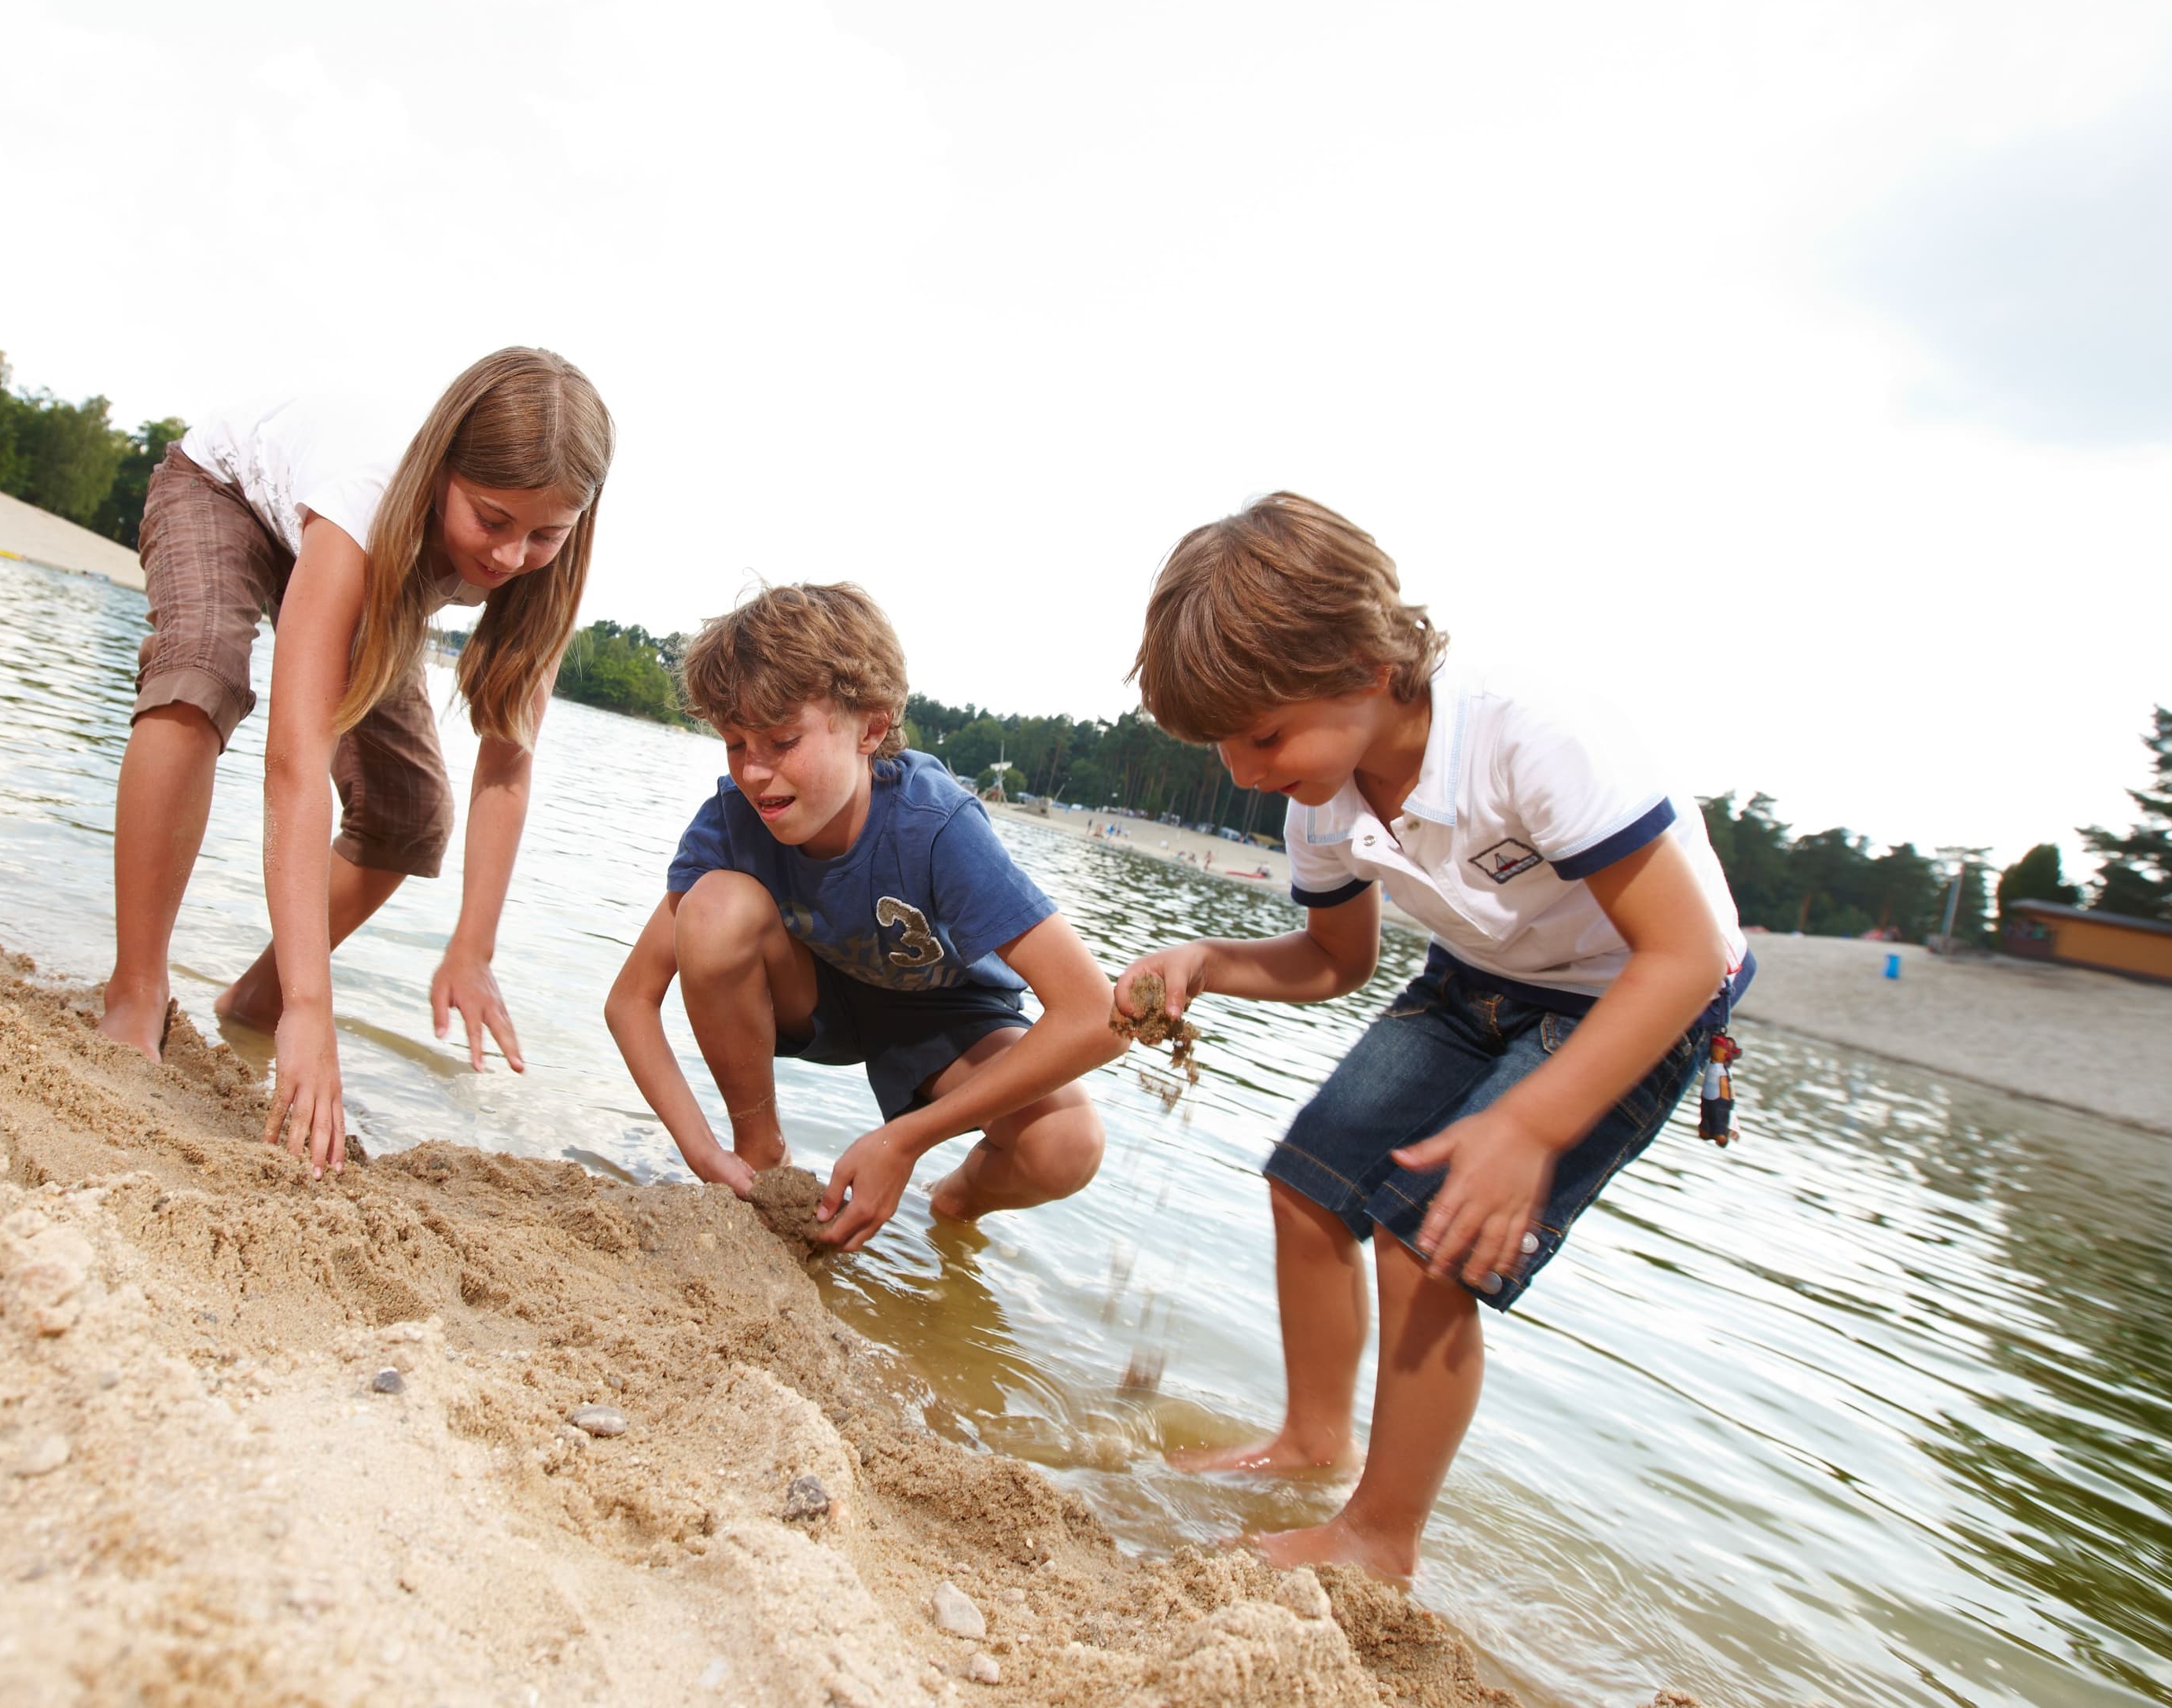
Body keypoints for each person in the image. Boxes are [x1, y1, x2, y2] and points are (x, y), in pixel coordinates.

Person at [1115, 493, 1750, 1584]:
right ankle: (1312, 1444)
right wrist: (1208, 962)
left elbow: (1683, 959)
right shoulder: (1319, 795)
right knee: (1309, 1185)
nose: (1243, 769)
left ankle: (1378, 1539)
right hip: (1476, 981)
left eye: (1262, 734)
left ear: (1368, 666)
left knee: (1430, 1244)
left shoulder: (1535, 740)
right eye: (1223, 743)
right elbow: (1335, 963)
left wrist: (1529, 1126)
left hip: (1639, 997)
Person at [95, 348, 616, 1174]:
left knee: (411, 816)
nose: (512, 558)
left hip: (367, 569)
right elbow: (297, 761)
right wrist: (320, 1005)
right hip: (226, 493)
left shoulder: (541, 572)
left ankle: (256, 1005)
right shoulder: (371, 496)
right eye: (491, 521)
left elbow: (506, 765)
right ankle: (135, 994)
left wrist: (472, 946)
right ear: (442, 470)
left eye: (545, 534)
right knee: (199, 676)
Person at [604, 583, 1119, 1250]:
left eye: (782, 740)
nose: (755, 773)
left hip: (943, 1013)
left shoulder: (936, 827)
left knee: (1067, 1143)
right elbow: (630, 1002)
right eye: (735, 744)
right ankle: (758, 1158)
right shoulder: (734, 819)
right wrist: (701, 1151)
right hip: (814, 989)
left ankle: (958, 1202)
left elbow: (1097, 1015)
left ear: (870, 729)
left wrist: (903, 1141)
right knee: (711, 910)